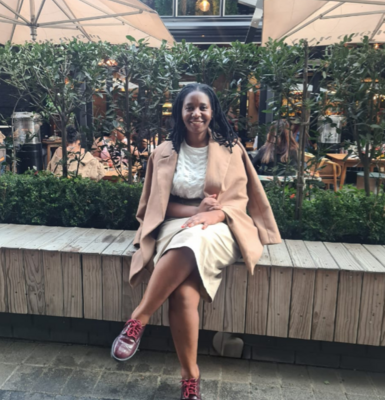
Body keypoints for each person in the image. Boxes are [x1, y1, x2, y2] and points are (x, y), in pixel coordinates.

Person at [110, 83, 281, 400]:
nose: (196, 113)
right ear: (180, 112)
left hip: (222, 226)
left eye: (203, 107)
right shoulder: (163, 153)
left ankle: (138, 318)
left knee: (193, 238)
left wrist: (215, 214)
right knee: (183, 294)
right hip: (174, 224)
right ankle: (190, 377)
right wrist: (194, 211)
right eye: (189, 107)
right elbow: (156, 206)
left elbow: (239, 201)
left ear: (212, 111)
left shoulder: (231, 149)